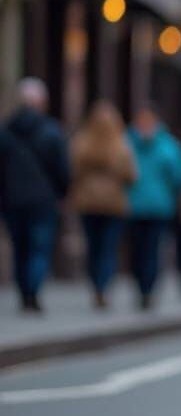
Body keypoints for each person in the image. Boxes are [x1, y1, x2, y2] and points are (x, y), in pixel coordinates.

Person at [0, 78, 69, 312]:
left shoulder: (7, 129)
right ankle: (33, 290)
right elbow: (61, 168)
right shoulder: (51, 131)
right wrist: (62, 192)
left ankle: (24, 292)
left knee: (20, 247)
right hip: (43, 200)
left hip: (12, 199)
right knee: (38, 247)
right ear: (41, 102)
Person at [69, 100, 137, 309]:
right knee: (108, 248)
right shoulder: (121, 145)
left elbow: (72, 171)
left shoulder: (81, 143)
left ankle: (95, 284)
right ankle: (103, 285)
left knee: (93, 246)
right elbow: (131, 175)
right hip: (113, 204)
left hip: (88, 203)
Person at [126, 103, 181, 309]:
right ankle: (141, 285)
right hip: (133, 207)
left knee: (152, 250)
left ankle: (148, 289)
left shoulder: (167, 145)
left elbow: (179, 176)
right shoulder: (127, 143)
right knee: (136, 251)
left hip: (159, 207)